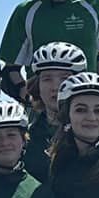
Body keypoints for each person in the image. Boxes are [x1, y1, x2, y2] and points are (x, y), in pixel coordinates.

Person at [21, 41, 87, 180]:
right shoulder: (26, 139)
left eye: (65, 78)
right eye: (47, 79)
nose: (56, 86)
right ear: (37, 85)